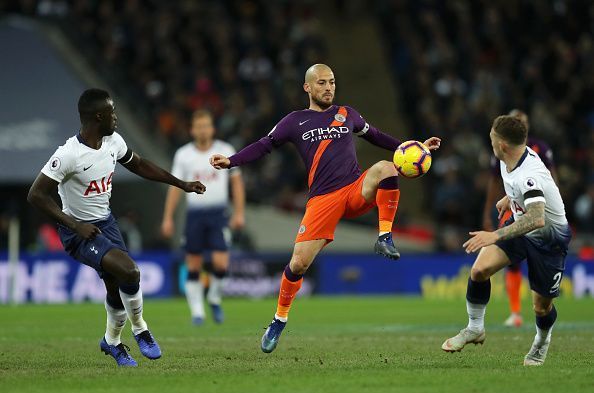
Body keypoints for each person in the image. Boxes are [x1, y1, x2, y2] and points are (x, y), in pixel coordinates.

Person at [210, 64, 441, 353]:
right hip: (322, 200)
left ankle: (384, 236)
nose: (329, 87)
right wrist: (232, 161)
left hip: (355, 188)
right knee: (298, 265)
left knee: (386, 167)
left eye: (332, 82)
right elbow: (263, 145)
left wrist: (416, 147)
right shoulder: (294, 121)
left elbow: (378, 136)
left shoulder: (348, 114)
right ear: (308, 87)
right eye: (322, 83)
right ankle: (279, 319)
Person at [27, 89, 206, 366]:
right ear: (99, 116)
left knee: (115, 287)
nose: (116, 117)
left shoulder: (112, 141)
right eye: (112, 112)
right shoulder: (68, 155)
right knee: (130, 270)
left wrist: (181, 184)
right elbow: (36, 194)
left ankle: (111, 342)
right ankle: (141, 329)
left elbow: (140, 165)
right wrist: (75, 224)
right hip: (79, 231)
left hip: (105, 223)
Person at [442, 115, 571, 366]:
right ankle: (475, 328)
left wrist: (494, 235)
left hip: (549, 238)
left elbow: (537, 218)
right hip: (521, 224)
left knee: (541, 308)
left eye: (492, 139)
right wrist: (508, 199)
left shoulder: (528, 174)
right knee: (479, 270)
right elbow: (521, 192)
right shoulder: (510, 158)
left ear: (501, 145)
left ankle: (541, 342)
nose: (489, 143)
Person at [161, 109, 245, 325]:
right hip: (195, 215)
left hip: (219, 214)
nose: (202, 130)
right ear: (192, 130)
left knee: (220, 263)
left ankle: (214, 298)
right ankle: (197, 312)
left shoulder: (225, 150)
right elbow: (176, 188)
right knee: (193, 265)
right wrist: (168, 217)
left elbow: (236, 182)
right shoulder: (183, 155)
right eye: (198, 126)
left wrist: (239, 212)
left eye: (206, 125)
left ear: (212, 128)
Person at [481, 109, 557, 328]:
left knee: (541, 283)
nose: (520, 123)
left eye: (522, 121)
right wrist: (489, 211)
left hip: (539, 210)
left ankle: (540, 310)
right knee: (511, 261)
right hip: (513, 208)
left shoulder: (539, 149)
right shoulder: (502, 152)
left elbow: (550, 177)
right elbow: (494, 182)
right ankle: (515, 312)